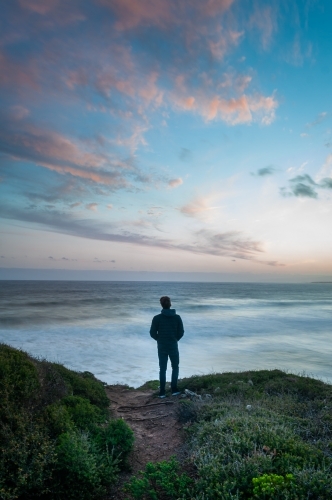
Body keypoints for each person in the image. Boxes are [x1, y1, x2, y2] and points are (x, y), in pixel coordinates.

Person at [150, 296, 184, 398]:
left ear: (161, 305)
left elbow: (152, 333)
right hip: (173, 345)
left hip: (162, 347)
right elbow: (181, 332)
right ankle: (174, 389)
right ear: (170, 304)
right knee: (175, 367)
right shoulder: (177, 318)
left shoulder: (157, 318)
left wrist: (159, 339)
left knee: (163, 369)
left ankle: (162, 392)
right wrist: (175, 339)